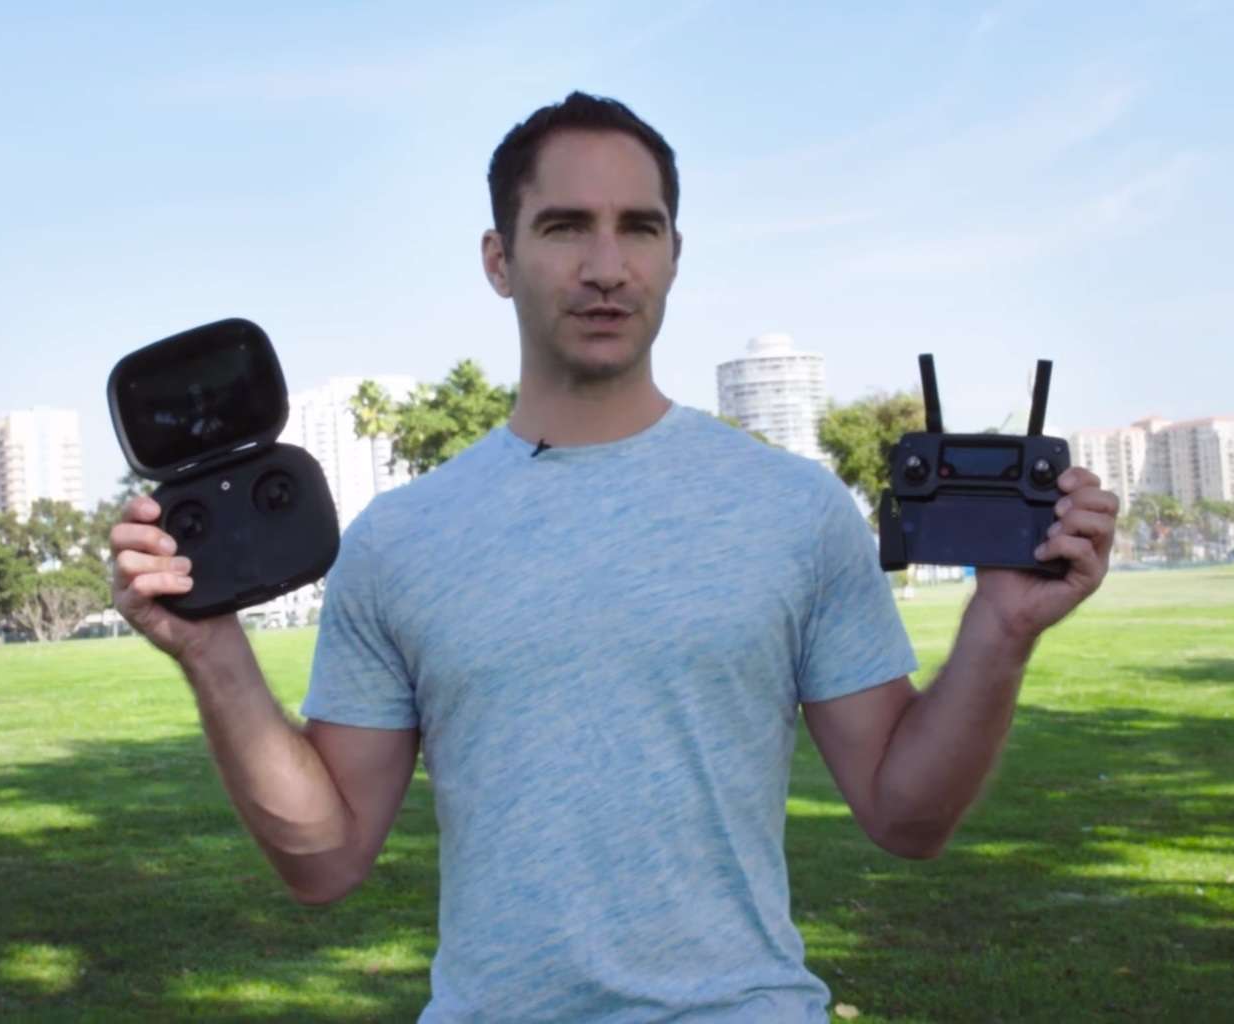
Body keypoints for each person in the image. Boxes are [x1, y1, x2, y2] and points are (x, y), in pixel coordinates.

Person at [110, 92, 1119, 1022]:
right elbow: (323, 862)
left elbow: (907, 818)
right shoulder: (400, 540)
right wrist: (212, 652)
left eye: (638, 227)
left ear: (675, 254)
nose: (607, 265)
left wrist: (1000, 630)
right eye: (564, 227)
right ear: (497, 259)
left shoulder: (793, 510)